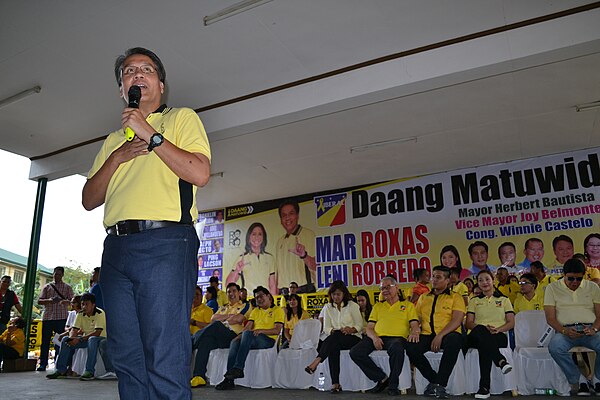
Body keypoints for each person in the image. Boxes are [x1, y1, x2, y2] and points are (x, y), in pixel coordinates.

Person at [81, 47, 211, 400]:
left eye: (146, 69)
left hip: (166, 242)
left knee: (164, 352)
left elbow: (199, 173)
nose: (137, 74)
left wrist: (150, 134)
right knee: (126, 356)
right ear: (122, 89)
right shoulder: (110, 141)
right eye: (128, 71)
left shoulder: (182, 118)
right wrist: (117, 157)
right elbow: (89, 199)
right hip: (116, 248)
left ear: (161, 85)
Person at [350, 276, 419, 396]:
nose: (385, 290)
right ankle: (381, 378)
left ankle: (393, 384)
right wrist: (375, 338)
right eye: (382, 288)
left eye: (388, 287)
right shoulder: (378, 306)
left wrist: (414, 331)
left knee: (397, 348)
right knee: (355, 352)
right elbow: (370, 328)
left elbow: (414, 324)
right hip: (377, 337)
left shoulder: (407, 305)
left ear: (396, 287)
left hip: (397, 339)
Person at [406, 266, 466, 399]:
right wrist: (415, 330)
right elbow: (417, 318)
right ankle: (434, 380)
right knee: (410, 346)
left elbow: (457, 320)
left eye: (438, 277)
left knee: (454, 341)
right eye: (433, 276)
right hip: (427, 334)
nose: (434, 280)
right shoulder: (423, 297)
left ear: (447, 280)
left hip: (448, 334)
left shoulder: (456, 298)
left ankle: (441, 383)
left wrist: (440, 336)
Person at [545, 258, 600, 395]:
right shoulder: (552, 288)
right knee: (555, 347)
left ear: (584, 276)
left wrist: (594, 329)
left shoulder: (593, 287)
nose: (575, 282)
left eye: (579, 279)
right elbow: (550, 318)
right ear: (564, 275)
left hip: (589, 330)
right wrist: (564, 330)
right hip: (565, 331)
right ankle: (580, 379)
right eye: (571, 278)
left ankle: (597, 379)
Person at [215, 286, 284, 390]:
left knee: (246, 334)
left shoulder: (277, 310)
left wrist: (261, 331)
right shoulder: (255, 311)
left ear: (269, 296)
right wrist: (237, 337)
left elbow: (277, 330)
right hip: (254, 337)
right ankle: (228, 379)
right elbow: (247, 328)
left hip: (268, 339)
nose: (259, 299)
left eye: (261, 296)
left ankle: (239, 368)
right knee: (234, 342)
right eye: (257, 298)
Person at [305, 281, 363, 393]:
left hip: (353, 337)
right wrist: (334, 331)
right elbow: (326, 328)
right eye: (333, 294)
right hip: (336, 338)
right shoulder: (328, 307)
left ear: (343, 294)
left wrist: (350, 329)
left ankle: (317, 360)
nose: (335, 297)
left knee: (334, 339)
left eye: (338, 294)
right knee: (334, 345)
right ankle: (335, 384)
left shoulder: (352, 305)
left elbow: (359, 325)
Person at [191, 282, 251, 388]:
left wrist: (223, 318)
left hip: (234, 336)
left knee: (216, 325)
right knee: (206, 341)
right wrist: (229, 316)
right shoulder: (223, 307)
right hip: (220, 336)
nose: (231, 294)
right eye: (228, 292)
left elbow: (239, 319)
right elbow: (213, 318)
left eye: (234, 291)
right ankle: (199, 376)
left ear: (239, 293)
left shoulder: (245, 305)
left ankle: (191, 342)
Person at [466, 270, 514, 399]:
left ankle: (484, 387)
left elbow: (511, 322)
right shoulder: (474, 300)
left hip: (498, 335)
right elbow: (469, 323)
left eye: (487, 279)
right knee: (481, 332)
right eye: (480, 280)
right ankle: (500, 361)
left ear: (493, 280)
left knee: (485, 344)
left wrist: (498, 329)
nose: (484, 283)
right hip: (476, 335)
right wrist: (483, 328)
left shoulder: (504, 300)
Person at [46, 293, 106, 380]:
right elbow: (74, 329)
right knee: (65, 339)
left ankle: (89, 371)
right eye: (82, 304)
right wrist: (71, 338)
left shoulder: (100, 313)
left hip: (100, 339)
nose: (84, 307)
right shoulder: (80, 314)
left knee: (92, 339)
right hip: (85, 339)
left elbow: (97, 333)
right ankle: (61, 370)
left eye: (86, 304)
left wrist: (80, 339)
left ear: (93, 305)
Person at [270, 200, 316, 294]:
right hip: (284, 292)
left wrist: (304, 255)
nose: (287, 218)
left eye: (291, 213)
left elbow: (316, 266)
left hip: (303, 290)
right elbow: (278, 273)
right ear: (281, 220)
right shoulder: (280, 241)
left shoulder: (308, 234)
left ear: (297, 216)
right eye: (284, 215)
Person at [37, 266, 74, 371]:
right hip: (48, 317)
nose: (56, 276)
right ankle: (43, 364)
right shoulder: (47, 287)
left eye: (58, 274)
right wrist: (50, 300)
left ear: (62, 275)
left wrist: (65, 301)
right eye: (55, 274)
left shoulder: (67, 287)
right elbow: (39, 301)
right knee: (45, 342)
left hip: (61, 317)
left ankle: (58, 363)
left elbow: (73, 301)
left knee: (59, 341)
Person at [226, 222, 274, 293]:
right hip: (248, 299)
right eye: (254, 234)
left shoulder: (270, 258)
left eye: (260, 234)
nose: (257, 237)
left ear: (264, 237)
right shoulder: (242, 258)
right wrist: (237, 270)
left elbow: (272, 285)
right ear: (249, 237)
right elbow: (228, 284)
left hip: (265, 300)